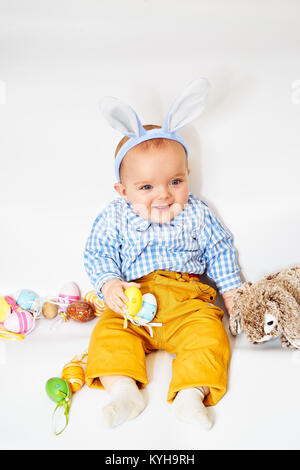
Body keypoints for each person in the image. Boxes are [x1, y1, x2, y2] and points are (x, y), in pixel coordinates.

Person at [83, 79, 242, 430]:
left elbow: (219, 248)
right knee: (107, 335)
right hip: (133, 301)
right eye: (146, 187)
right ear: (122, 190)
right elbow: (99, 252)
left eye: (175, 182)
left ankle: (191, 394)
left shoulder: (197, 213)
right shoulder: (114, 215)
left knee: (209, 334)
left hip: (187, 300)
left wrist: (231, 291)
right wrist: (109, 285)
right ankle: (124, 391)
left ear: (188, 176)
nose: (164, 195)